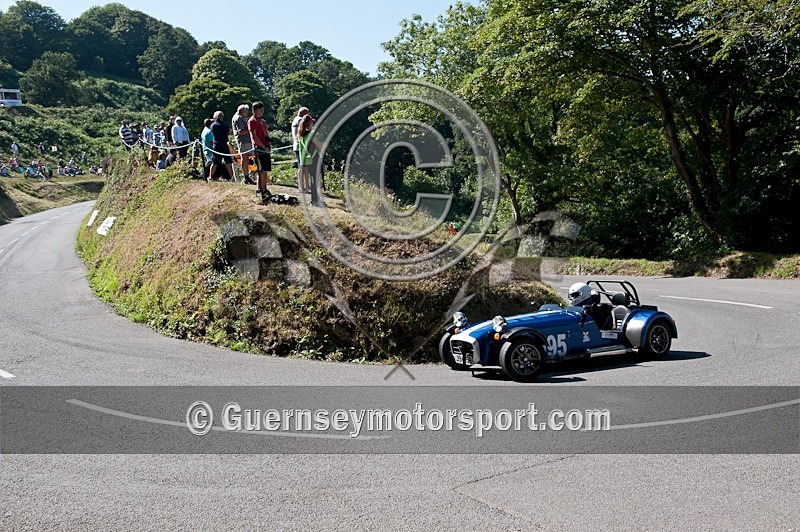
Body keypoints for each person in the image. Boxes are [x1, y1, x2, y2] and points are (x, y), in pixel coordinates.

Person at [248, 101, 273, 204]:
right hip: (258, 148)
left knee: (264, 169)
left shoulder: (263, 121)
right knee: (261, 169)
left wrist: (269, 144)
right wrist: (263, 146)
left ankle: (262, 188)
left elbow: (266, 134)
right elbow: (254, 136)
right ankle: (263, 189)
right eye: (260, 110)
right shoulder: (252, 121)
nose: (262, 111)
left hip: (265, 147)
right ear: (254, 110)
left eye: (263, 110)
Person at [296, 114, 323, 206]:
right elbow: (320, 146)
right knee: (314, 179)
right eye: (312, 123)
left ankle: (315, 199)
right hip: (313, 158)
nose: (313, 125)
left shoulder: (301, 135)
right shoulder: (311, 135)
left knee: (312, 178)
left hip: (307, 160)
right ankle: (314, 200)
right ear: (309, 124)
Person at [232, 104, 254, 185]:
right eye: (246, 111)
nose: (247, 113)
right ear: (242, 111)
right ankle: (247, 177)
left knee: (246, 159)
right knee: (245, 159)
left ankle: (247, 176)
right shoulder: (239, 118)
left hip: (245, 142)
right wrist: (252, 130)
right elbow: (241, 132)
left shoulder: (238, 118)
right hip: (244, 142)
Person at [209, 110, 233, 182]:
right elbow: (230, 132)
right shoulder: (225, 125)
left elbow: (212, 133)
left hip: (216, 145)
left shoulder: (213, 125)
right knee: (228, 162)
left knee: (214, 163)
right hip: (224, 145)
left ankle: (210, 177)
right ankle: (232, 177)